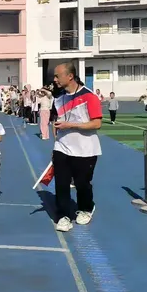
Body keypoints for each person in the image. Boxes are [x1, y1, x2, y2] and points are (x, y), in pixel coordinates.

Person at [51, 62, 102, 232]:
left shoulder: (89, 96)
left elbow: (97, 123)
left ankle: (86, 208)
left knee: (82, 184)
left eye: (57, 76)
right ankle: (63, 215)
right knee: (61, 184)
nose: (55, 79)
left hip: (85, 149)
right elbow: (56, 118)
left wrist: (70, 125)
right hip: (62, 147)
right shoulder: (59, 97)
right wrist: (56, 128)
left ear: (70, 76)